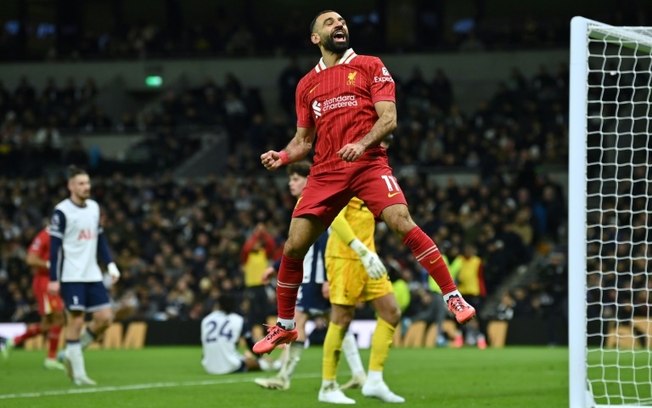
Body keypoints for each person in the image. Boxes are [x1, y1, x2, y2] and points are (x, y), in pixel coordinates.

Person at [254, 9, 475, 357]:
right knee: (293, 247)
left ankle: (452, 296)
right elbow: (303, 141)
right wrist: (281, 156)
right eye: (330, 22)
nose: (339, 24)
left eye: (341, 21)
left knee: (402, 222)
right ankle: (284, 327)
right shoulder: (306, 84)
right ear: (315, 38)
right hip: (325, 171)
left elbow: (389, 119)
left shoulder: (371, 65)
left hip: (368, 163)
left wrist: (362, 143)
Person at [254, 161, 369, 391]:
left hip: (317, 279)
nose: (290, 183)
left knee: (302, 323)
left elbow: (328, 240)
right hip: (311, 277)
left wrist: (328, 277)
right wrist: (277, 265)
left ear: (308, 180)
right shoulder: (305, 203)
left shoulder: (318, 202)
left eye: (295, 179)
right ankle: (358, 374)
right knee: (336, 323)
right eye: (290, 179)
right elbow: (297, 245)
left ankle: (284, 377)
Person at [319, 136, 404, 404]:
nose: (385, 147)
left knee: (391, 312)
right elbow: (334, 216)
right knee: (342, 318)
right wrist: (361, 250)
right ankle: (328, 386)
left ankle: (375, 380)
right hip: (346, 256)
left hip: (369, 257)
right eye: (383, 142)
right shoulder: (346, 164)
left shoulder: (374, 170)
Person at [47, 165, 121, 386]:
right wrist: (53, 278)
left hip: (92, 274)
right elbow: (55, 248)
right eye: (81, 183)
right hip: (71, 276)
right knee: (76, 321)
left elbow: (101, 239)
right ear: (70, 186)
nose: (86, 187)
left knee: (105, 318)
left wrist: (110, 264)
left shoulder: (94, 208)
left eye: (87, 183)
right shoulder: (61, 211)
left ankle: (71, 351)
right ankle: (79, 374)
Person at [0, 227, 66, 370]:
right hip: (45, 282)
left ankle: (12, 341)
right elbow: (30, 259)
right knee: (59, 318)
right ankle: (51, 358)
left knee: (47, 324)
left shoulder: (64, 234)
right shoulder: (46, 234)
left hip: (53, 282)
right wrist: (50, 265)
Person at [201, 294, 280, 375]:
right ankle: (274, 365)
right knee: (254, 362)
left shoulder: (206, 320)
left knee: (242, 356)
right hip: (230, 365)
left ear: (218, 304)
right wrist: (262, 358)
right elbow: (250, 344)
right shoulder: (237, 319)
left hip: (208, 367)